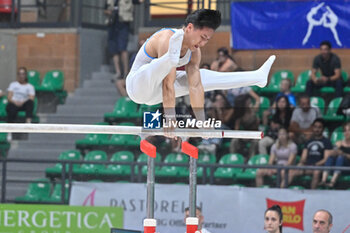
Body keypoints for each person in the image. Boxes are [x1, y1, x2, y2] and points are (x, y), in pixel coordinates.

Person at [125, 9, 276, 133]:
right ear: (189, 28)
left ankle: (257, 77)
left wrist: (202, 122)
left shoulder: (194, 51)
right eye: (202, 37)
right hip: (138, 87)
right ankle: (168, 59)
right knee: (155, 68)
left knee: (201, 77)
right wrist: (170, 118)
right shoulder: (167, 38)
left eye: (207, 40)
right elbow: (167, 84)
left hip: (157, 94)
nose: (202, 44)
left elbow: (195, 87)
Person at [105, 0, 143, 96]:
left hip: (123, 23)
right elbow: (105, 9)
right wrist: (109, 12)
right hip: (112, 23)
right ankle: (118, 72)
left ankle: (126, 72)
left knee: (122, 48)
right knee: (114, 49)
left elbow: (139, 2)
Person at [287, 118, 332, 189]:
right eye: (315, 127)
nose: (317, 129)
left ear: (323, 129)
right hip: (307, 166)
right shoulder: (309, 142)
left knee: (316, 172)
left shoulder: (326, 142)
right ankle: (282, 191)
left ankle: (312, 195)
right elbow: (303, 157)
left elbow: (326, 159)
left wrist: (315, 165)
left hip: (319, 167)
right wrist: (302, 163)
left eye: (319, 127)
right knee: (291, 172)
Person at [320, 122, 350, 188]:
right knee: (331, 157)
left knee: (341, 157)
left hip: (347, 168)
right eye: (345, 131)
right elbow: (330, 153)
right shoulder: (339, 142)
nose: (346, 132)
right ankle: (323, 180)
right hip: (337, 165)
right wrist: (335, 151)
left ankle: (332, 182)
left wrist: (343, 154)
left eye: (349, 130)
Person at [230, 94, 259, 158]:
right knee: (234, 140)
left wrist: (253, 113)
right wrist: (242, 136)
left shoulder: (253, 113)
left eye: (250, 102)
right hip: (242, 135)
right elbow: (236, 129)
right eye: (247, 102)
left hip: (253, 135)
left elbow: (257, 126)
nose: (249, 103)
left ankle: (251, 159)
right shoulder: (240, 114)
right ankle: (233, 158)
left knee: (255, 142)